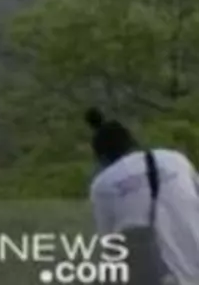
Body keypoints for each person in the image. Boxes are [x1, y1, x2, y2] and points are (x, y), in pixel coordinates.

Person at [86, 108, 200, 284]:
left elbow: (110, 246)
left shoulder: (103, 185)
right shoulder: (176, 160)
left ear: (101, 158)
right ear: (133, 143)